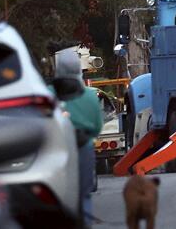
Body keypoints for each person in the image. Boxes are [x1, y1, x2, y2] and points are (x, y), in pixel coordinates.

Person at [54, 48, 101, 228]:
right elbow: (97, 126)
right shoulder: (90, 95)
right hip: (83, 148)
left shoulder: (48, 93)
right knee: (84, 194)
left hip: (58, 149)